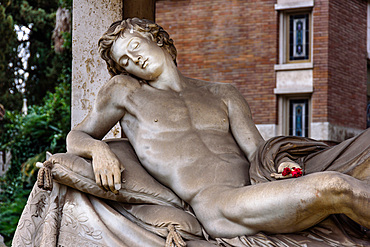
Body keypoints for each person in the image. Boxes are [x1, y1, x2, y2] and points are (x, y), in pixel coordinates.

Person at [66, 18, 370, 239]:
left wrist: (279, 162)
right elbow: (77, 136)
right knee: (334, 186)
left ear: (155, 38)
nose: (134, 59)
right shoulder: (124, 92)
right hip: (219, 202)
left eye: (134, 46)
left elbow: (257, 150)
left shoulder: (223, 93)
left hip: (260, 187)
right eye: (125, 60)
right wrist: (98, 149)